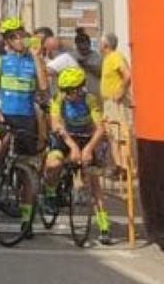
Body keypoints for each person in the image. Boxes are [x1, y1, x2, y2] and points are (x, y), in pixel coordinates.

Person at [0, 18, 48, 236]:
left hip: (27, 118)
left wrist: (37, 57)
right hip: (5, 116)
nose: (20, 39)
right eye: (14, 37)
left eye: (22, 35)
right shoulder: (0, 62)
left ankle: (26, 220)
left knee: (27, 172)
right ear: (7, 41)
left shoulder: (33, 61)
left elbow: (43, 86)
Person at [41, 66, 113, 245]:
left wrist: (88, 149)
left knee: (94, 181)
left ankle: (104, 226)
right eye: (63, 90)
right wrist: (73, 147)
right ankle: (50, 192)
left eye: (69, 91)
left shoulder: (90, 100)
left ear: (79, 89)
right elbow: (57, 125)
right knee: (53, 163)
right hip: (66, 137)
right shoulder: (59, 99)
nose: (65, 94)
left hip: (87, 138)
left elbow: (99, 129)